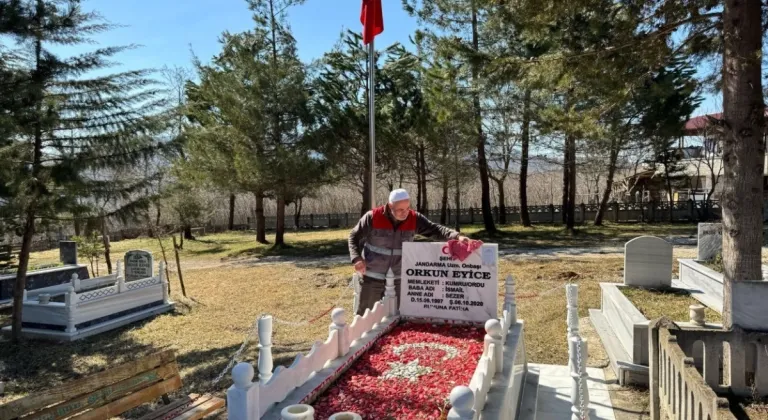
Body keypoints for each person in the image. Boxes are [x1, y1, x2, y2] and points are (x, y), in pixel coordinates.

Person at [348, 188, 469, 315]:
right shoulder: (373, 217)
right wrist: (356, 258)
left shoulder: (414, 218)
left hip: (398, 278)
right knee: (365, 316)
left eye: (407, 208)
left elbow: (435, 230)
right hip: (372, 277)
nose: (405, 213)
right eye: (400, 209)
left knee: (397, 315)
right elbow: (353, 236)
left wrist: (456, 236)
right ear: (390, 206)